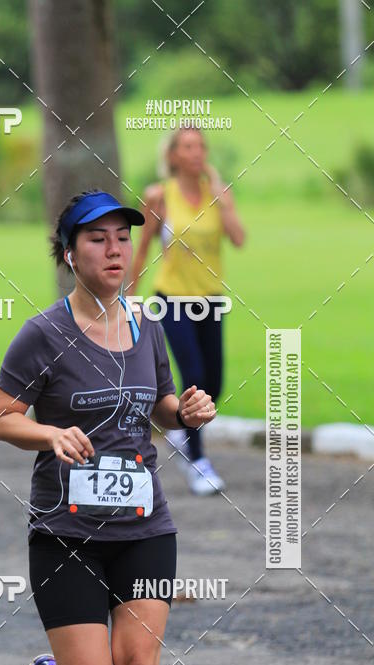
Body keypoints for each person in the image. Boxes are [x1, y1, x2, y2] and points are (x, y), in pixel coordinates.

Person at [0, 189, 216, 665]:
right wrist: (50, 433)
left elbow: (161, 406)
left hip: (146, 527)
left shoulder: (146, 326)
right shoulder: (43, 335)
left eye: (123, 237)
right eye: (96, 239)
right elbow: (0, 418)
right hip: (66, 532)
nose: (114, 249)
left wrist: (186, 412)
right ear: (68, 253)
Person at [129, 127, 245, 496]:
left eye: (201, 147)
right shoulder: (160, 196)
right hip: (172, 299)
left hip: (210, 299)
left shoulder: (218, 195)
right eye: (188, 147)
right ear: (174, 156)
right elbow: (142, 247)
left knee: (215, 384)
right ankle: (198, 461)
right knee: (193, 375)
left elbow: (238, 240)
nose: (197, 153)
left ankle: (179, 430)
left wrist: (225, 199)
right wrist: (128, 299)